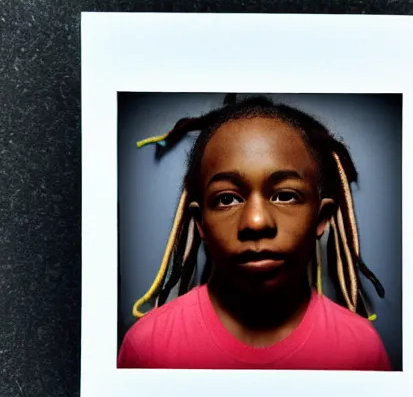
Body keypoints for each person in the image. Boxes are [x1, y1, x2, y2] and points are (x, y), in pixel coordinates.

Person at [118, 95, 391, 371]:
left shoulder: (361, 351)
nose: (256, 221)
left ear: (321, 218)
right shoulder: (147, 349)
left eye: (285, 195)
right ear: (200, 222)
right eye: (227, 199)